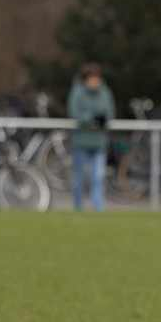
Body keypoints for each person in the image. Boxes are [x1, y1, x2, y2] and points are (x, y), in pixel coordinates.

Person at [67, 63, 115, 212]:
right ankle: (78, 207)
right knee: (79, 178)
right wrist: (90, 119)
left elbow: (109, 113)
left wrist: (100, 120)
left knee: (98, 177)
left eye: (97, 78)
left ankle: (98, 208)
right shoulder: (77, 92)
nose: (95, 81)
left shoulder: (105, 92)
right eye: (92, 78)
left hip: (99, 142)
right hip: (81, 141)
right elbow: (75, 113)